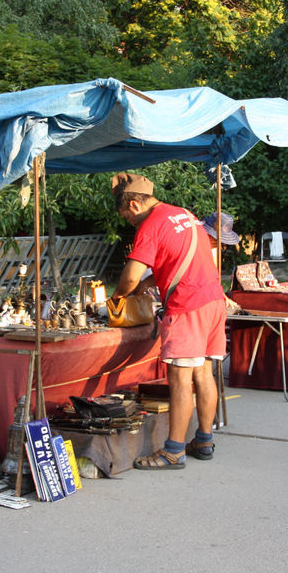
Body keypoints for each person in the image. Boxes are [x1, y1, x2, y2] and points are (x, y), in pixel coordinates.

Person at [110, 173, 226, 470]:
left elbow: (131, 277)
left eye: (125, 216)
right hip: (213, 300)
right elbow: (178, 260)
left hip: (187, 306)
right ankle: (204, 440)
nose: (128, 221)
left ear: (134, 205)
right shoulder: (184, 214)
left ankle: (173, 451)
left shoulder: (150, 224)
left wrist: (118, 296)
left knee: (180, 380)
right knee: (204, 375)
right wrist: (147, 283)